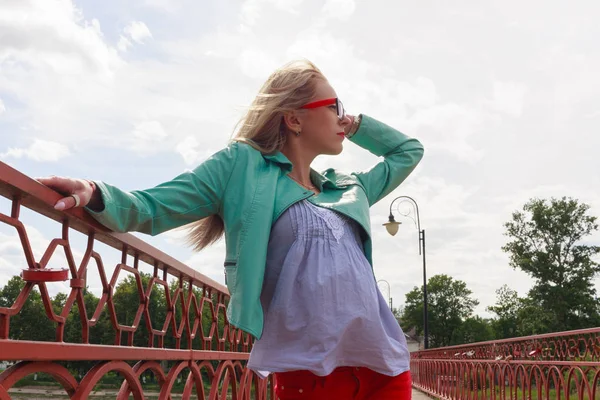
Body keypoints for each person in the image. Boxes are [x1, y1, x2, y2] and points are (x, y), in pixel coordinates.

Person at [38, 59, 424, 399]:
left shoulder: (348, 188)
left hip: (384, 365)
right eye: (335, 107)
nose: (343, 116)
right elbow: (153, 207)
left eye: (345, 109)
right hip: (308, 371)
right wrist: (95, 193)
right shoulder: (242, 166)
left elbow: (408, 151)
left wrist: (357, 125)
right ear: (293, 119)